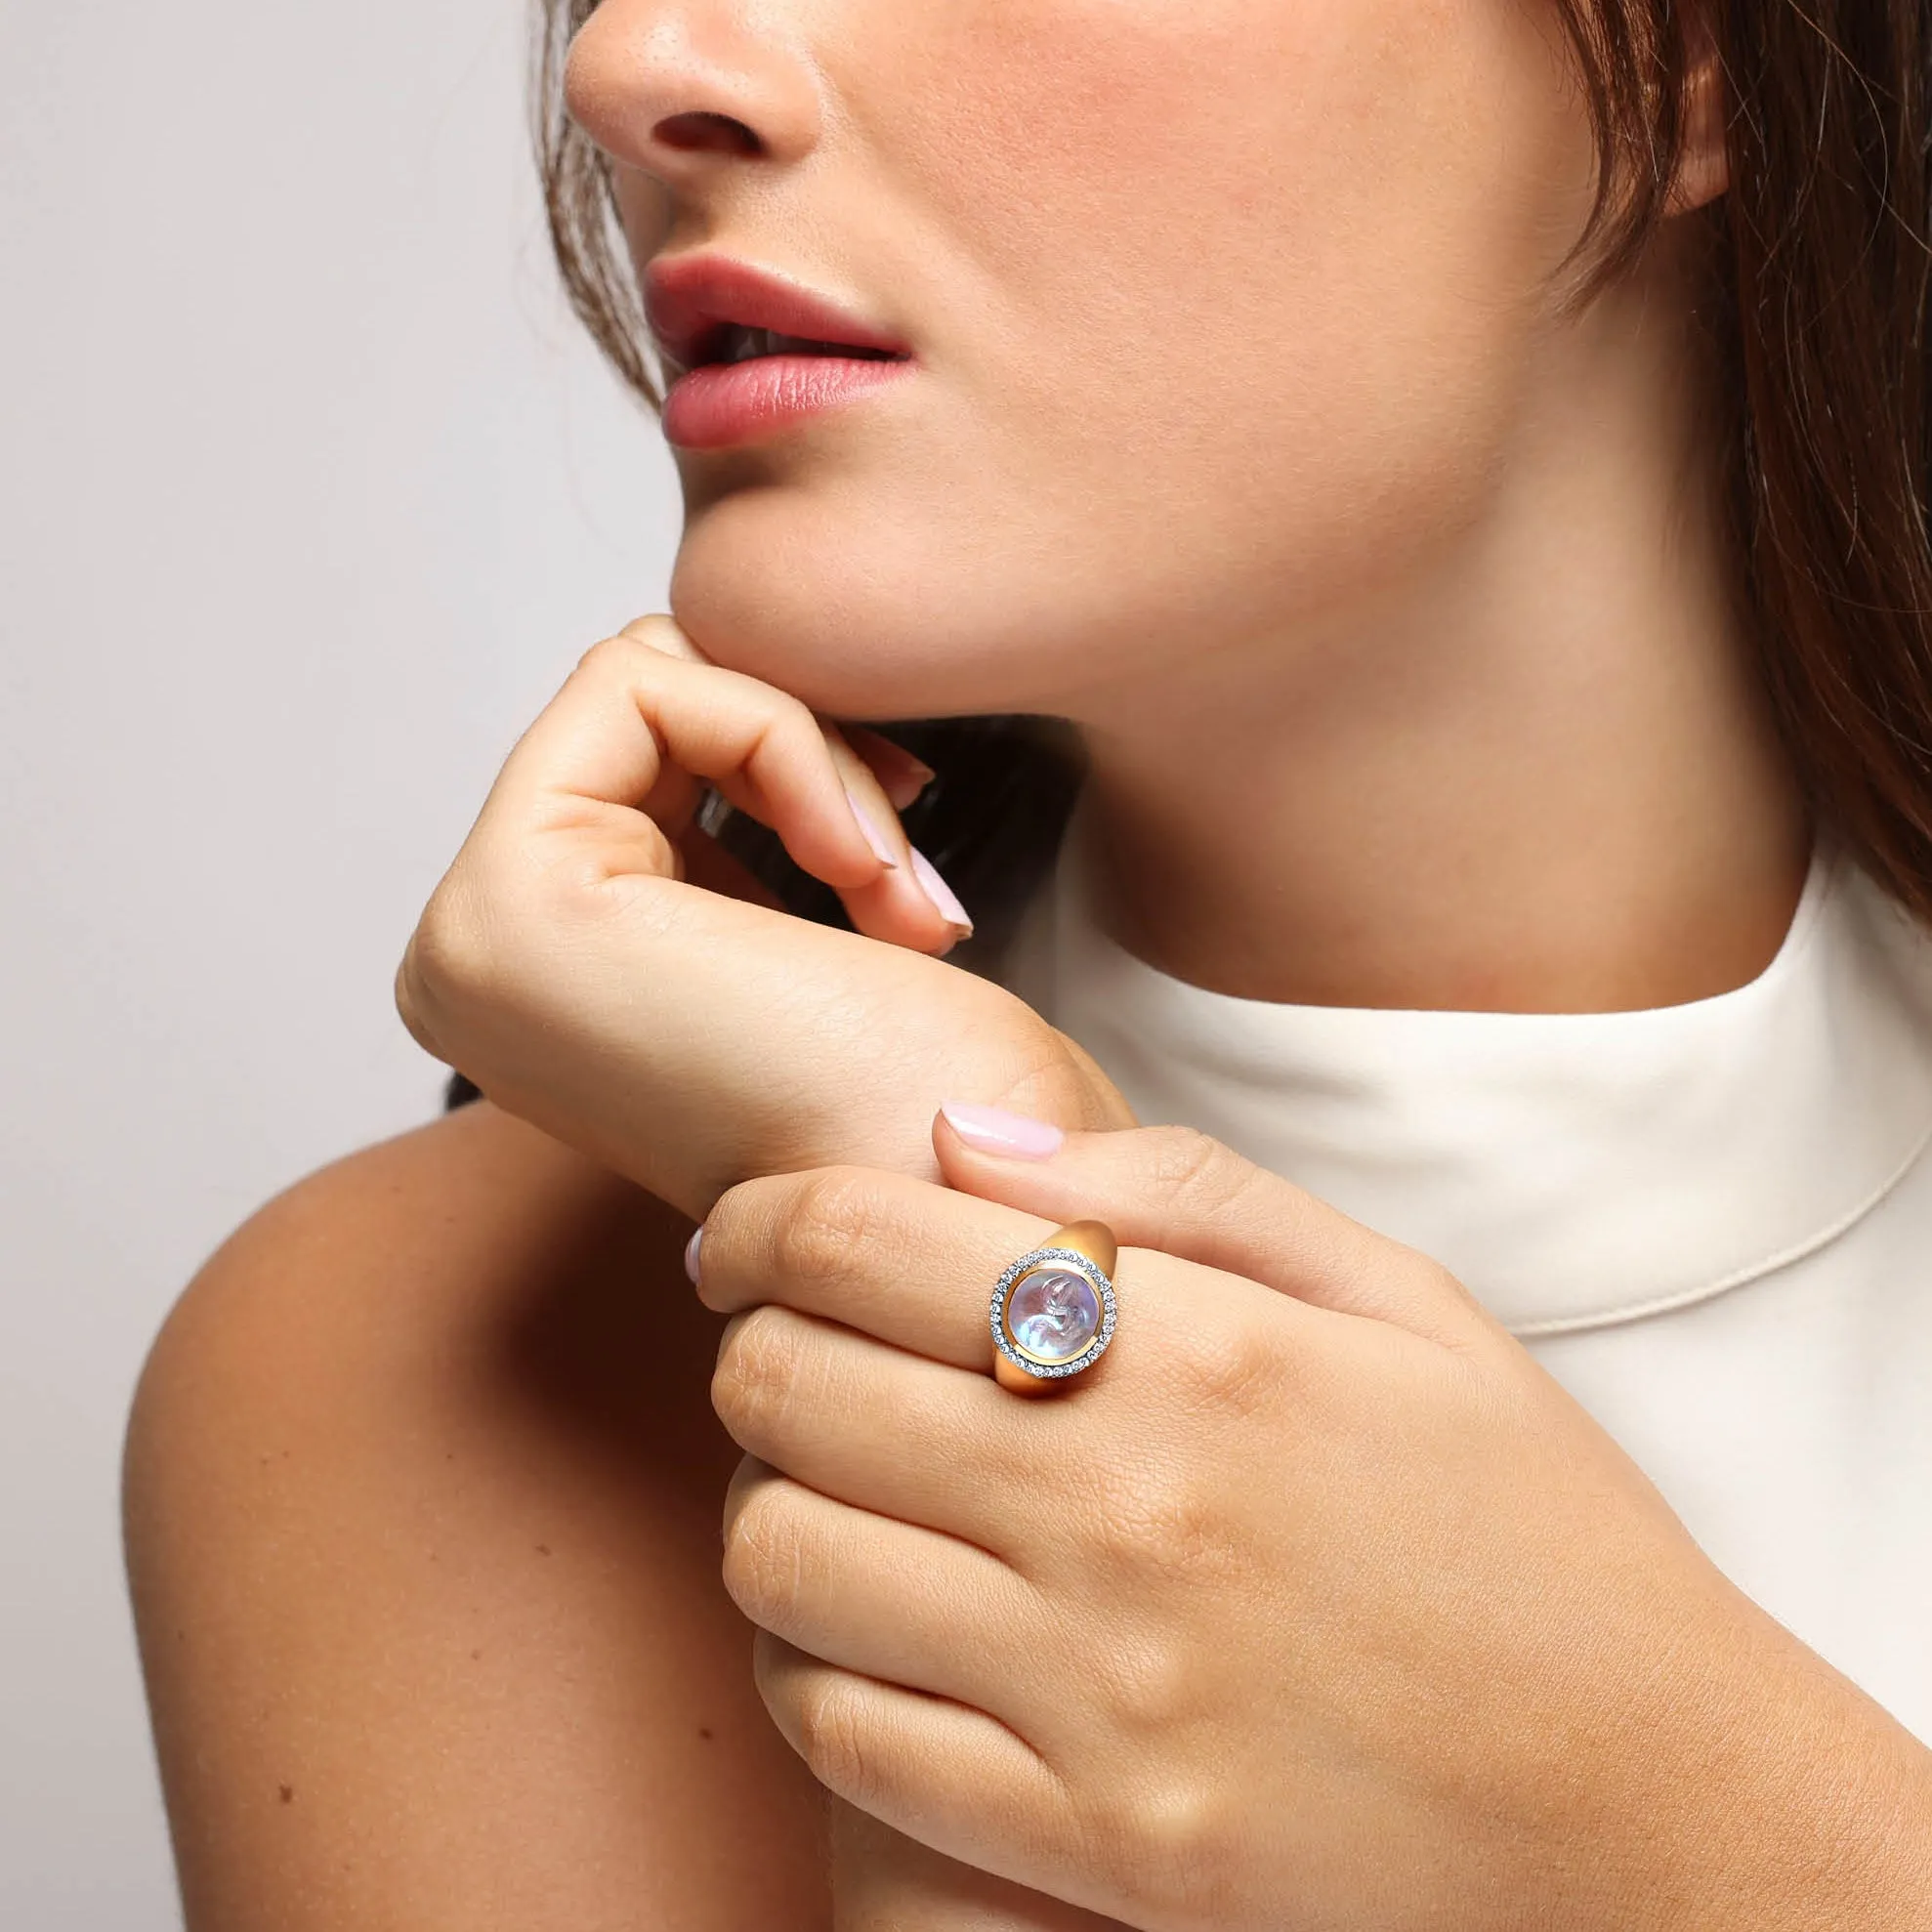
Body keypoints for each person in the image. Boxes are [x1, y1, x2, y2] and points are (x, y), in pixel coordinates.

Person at [123, 0, 1932, 1925]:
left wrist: (1684, 1823)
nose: (636, 65)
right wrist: (971, 1206)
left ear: (1673, 63)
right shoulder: (463, 1366)